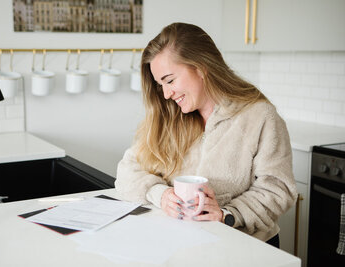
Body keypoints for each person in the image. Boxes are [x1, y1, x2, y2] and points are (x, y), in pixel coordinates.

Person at [115, 22, 297, 247]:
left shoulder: (259, 116)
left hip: (245, 247)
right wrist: (160, 194)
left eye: (170, 80)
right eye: (160, 85)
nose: (166, 94)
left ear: (200, 67)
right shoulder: (168, 117)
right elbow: (127, 171)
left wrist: (227, 214)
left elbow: (278, 189)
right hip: (183, 244)